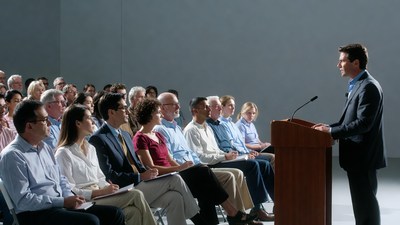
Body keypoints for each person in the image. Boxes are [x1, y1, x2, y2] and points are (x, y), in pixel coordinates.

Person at [88, 93, 207, 225]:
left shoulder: (126, 135)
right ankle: (200, 220)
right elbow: (109, 175)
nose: (128, 111)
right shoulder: (99, 139)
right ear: (111, 112)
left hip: (141, 185)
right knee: (175, 179)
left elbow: (137, 164)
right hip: (125, 190)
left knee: (175, 197)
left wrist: (150, 173)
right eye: (123, 107)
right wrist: (140, 177)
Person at [134, 98, 257, 225]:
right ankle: (230, 214)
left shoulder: (157, 135)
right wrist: (179, 168)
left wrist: (182, 168)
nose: (160, 114)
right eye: (158, 112)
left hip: (176, 173)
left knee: (204, 181)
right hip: (163, 178)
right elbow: (151, 167)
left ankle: (224, 217)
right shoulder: (141, 137)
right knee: (203, 174)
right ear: (150, 115)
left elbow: (170, 159)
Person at [0, 100, 125, 225]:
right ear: (29, 126)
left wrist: (71, 198)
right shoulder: (12, 155)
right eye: (44, 120)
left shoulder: (45, 148)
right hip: (35, 213)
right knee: (91, 221)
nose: (49, 123)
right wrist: (62, 202)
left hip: (58, 206)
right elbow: (23, 200)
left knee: (115, 213)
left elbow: (61, 180)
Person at [313, 43, 386, 225]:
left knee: (366, 206)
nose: (338, 65)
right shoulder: (358, 84)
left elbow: (363, 124)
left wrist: (331, 132)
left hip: (363, 158)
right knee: (362, 206)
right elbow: (349, 121)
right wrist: (328, 127)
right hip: (357, 158)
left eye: (342, 61)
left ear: (355, 62)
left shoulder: (369, 87)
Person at [55, 104, 157, 225]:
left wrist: (110, 189)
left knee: (133, 211)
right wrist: (99, 193)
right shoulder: (64, 153)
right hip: (87, 200)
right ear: (78, 123)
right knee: (136, 194)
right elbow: (69, 189)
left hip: (101, 194)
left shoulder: (91, 148)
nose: (93, 121)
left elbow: (100, 178)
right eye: (88, 118)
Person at [184, 97, 274, 221]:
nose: (209, 109)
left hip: (220, 160)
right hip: (208, 166)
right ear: (195, 111)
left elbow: (217, 149)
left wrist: (232, 155)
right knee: (249, 167)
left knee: (258, 165)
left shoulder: (208, 127)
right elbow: (200, 158)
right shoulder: (191, 130)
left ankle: (243, 214)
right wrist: (225, 156)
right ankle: (248, 213)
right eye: (206, 107)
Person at [235, 101, 275, 169]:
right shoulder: (240, 125)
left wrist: (264, 144)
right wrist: (259, 147)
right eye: (249, 113)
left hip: (258, 149)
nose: (252, 115)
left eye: (253, 113)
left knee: (276, 150)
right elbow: (243, 144)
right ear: (243, 112)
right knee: (273, 157)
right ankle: (272, 179)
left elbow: (257, 140)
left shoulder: (251, 124)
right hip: (251, 151)